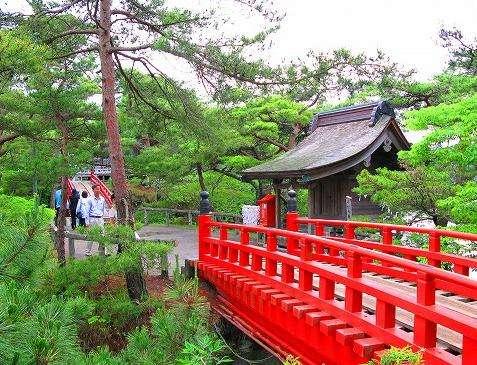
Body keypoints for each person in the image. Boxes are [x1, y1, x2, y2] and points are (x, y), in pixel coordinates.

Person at [85, 185, 107, 256]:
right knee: (91, 235)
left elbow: (103, 209)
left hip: (100, 218)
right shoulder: (90, 199)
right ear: (93, 190)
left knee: (102, 234)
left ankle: (102, 250)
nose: (98, 190)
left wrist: (102, 218)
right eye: (97, 189)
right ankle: (87, 251)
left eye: (99, 189)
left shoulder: (102, 199)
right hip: (92, 218)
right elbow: (87, 211)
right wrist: (87, 222)